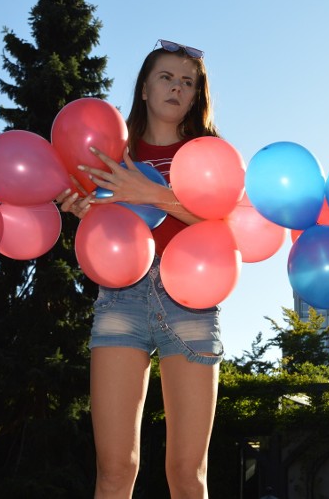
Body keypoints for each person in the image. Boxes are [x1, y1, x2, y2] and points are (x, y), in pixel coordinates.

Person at [58, 39, 222, 499]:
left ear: (196, 96)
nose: (176, 88)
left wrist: (152, 193)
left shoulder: (209, 154)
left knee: (187, 475)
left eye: (187, 82)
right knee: (115, 470)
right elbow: (104, 227)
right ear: (145, 89)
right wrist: (82, 209)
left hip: (192, 299)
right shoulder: (112, 153)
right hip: (121, 299)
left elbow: (225, 223)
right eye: (166, 78)